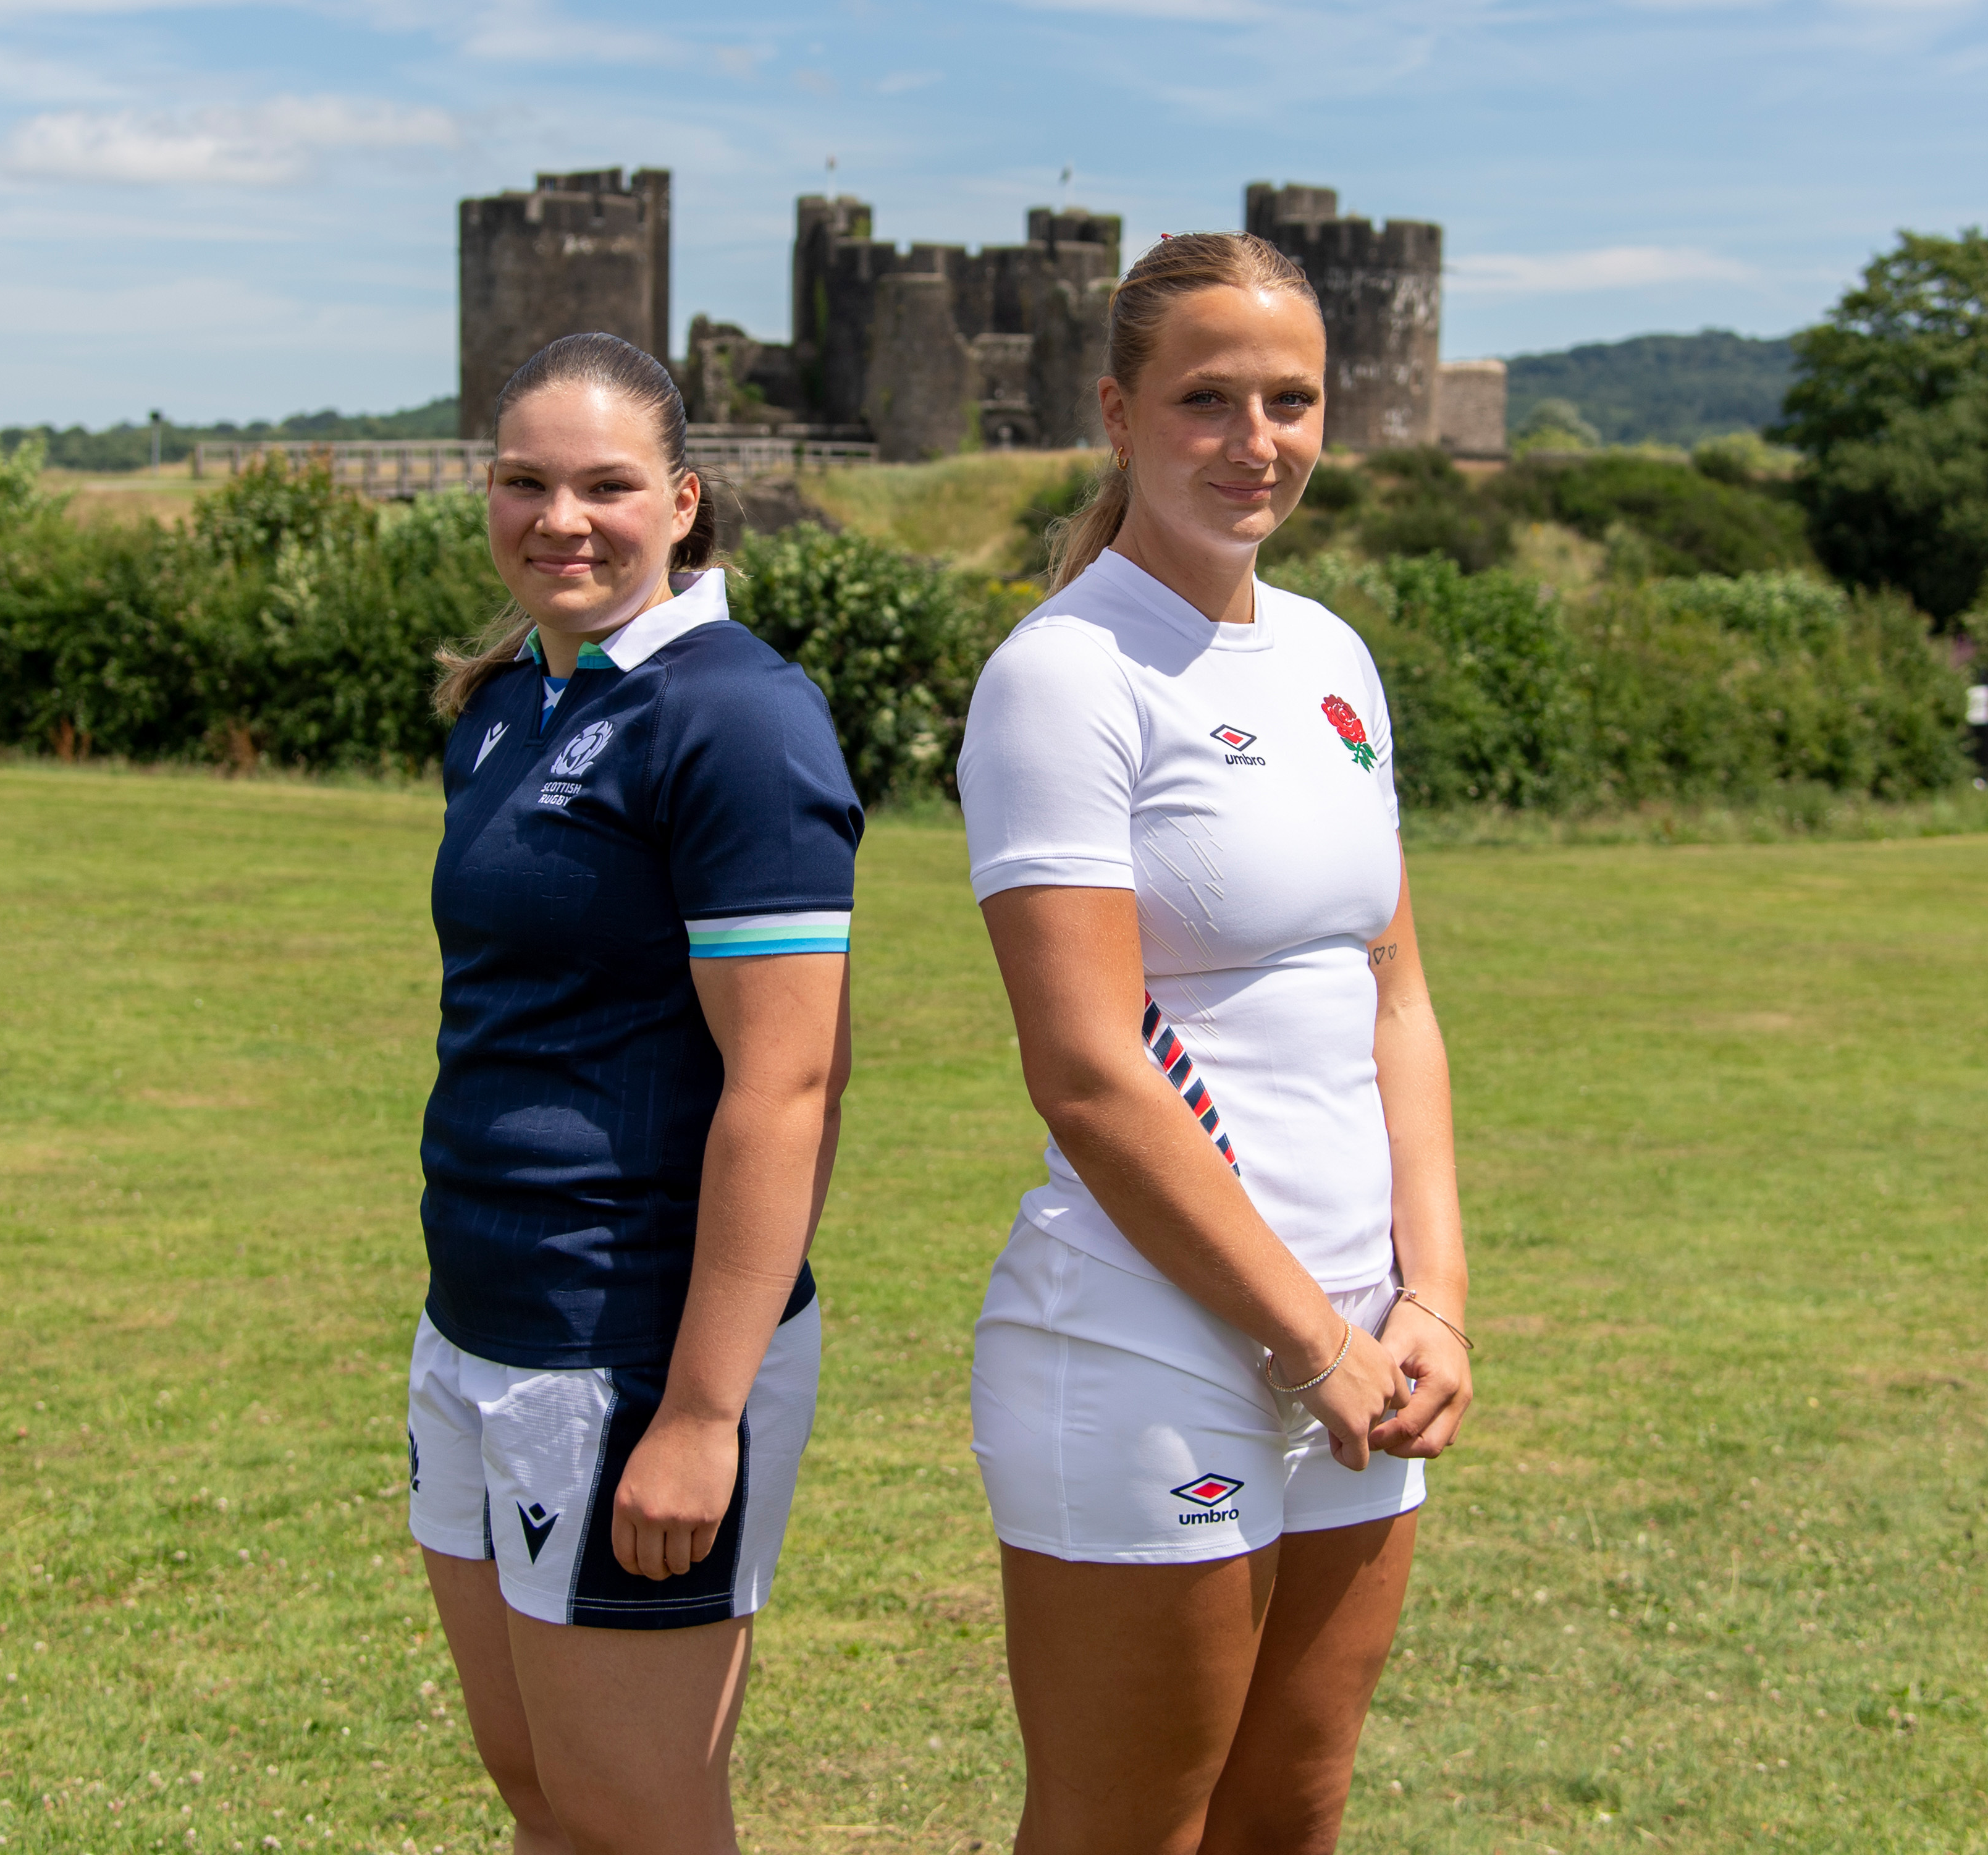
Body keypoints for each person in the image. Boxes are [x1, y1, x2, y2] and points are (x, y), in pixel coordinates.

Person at [955, 235, 1478, 1855]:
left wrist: (1431, 1300)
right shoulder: (1063, 676)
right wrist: (1307, 1343)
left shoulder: (1331, 658)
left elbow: (1395, 998)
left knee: (1291, 1814)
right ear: (1118, 414)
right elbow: (1086, 1071)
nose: (1255, 442)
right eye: (1206, 401)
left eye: (1290, 401)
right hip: (1151, 1339)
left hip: (1360, 1331)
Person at [408, 332, 862, 1855]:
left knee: (637, 1816)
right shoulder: (505, 703)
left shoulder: (735, 715)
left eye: (605, 486)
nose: (561, 519)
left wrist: (700, 1411)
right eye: (523, 482)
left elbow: (791, 1081)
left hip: (626, 1345)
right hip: (479, 1318)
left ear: (680, 501)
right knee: (542, 1790)